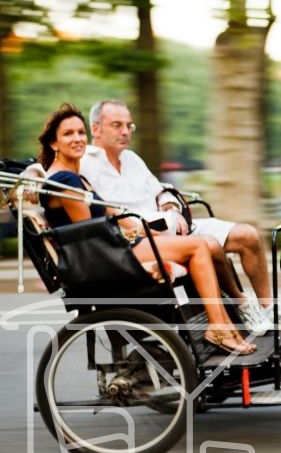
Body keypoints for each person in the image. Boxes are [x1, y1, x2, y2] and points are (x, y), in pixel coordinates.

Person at [37, 104, 256, 355]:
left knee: (202, 244)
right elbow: (89, 234)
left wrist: (145, 230)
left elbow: (113, 212)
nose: (77, 138)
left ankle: (223, 324)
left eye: (80, 132)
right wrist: (137, 235)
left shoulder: (75, 177)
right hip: (102, 258)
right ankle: (219, 326)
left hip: (114, 247)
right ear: (54, 143)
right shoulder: (65, 181)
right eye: (68, 134)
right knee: (198, 245)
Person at [81, 100, 281, 333]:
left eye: (129, 126)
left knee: (248, 235)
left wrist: (171, 207)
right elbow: (51, 172)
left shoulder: (132, 159)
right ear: (96, 128)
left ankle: (268, 309)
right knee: (208, 245)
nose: (124, 131)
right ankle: (241, 303)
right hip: (142, 239)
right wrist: (32, 171)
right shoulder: (84, 162)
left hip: (173, 226)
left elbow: (160, 189)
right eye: (117, 125)